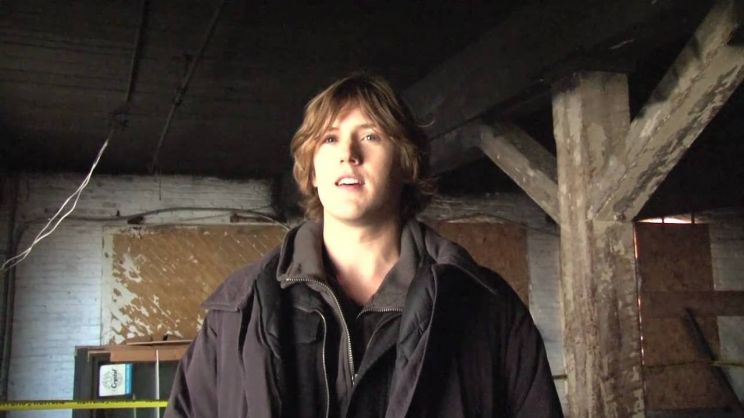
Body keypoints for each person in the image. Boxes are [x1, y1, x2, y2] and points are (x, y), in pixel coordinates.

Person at [164, 73, 563, 418]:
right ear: (312, 171)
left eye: (370, 136)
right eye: (330, 139)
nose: (348, 155)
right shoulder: (238, 311)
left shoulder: (487, 308)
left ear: (405, 163)